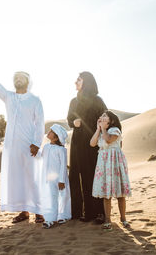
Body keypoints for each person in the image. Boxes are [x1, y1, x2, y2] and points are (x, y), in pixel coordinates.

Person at [0, 52, 45, 223]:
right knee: (18, 179)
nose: (18, 79)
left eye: (21, 77)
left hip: (29, 145)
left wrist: (36, 143)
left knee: (32, 178)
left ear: (27, 81)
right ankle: (24, 212)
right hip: (12, 146)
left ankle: (39, 211)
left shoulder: (35, 100)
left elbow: (40, 123)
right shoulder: (8, 97)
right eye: (16, 77)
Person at [67, 72, 107, 223]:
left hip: (93, 143)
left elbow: (105, 118)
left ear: (86, 82)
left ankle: (98, 213)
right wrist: (73, 122)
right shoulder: (73, 101)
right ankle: (79, 212)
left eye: (78, 80)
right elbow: (69, 118)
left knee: (93, 176)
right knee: (77, 176)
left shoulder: (97, 100)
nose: (75, 82)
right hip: (77, 143)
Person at [90, 110, 132, 230]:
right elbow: (92, 143)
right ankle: (108, 220)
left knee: (120, 193)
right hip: (103, 163)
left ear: (111, 121)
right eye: (101, 115)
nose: (102, 117)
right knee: (106, 194)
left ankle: (123, 218)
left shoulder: (115, 131)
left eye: (105, 116)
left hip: (114, 163)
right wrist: (98, 129)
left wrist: (103, 129)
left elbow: (108, 140)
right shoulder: (102, 131)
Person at [37, 124, 71, 229]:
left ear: (56, 137)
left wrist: (61, 180)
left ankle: (63, 215)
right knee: (50, 197)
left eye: (51, 131)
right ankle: (50, 218)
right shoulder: (46, 147)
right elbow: (40, 156)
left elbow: (63, 166)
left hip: (59, 178)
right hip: (47, 178)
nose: (49, 132)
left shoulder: (61, 150)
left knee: (62, 197)